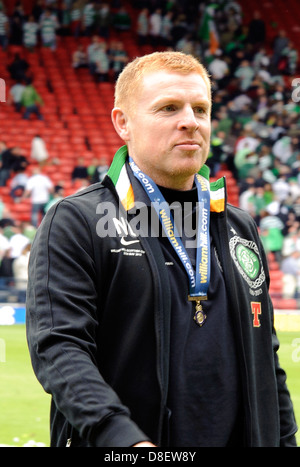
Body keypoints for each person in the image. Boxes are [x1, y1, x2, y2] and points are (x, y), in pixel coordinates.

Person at [26, 51, 298, 447]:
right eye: (168, 108)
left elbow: (266, 359)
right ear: (123, 123)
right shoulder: (77, 220)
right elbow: (59, 347)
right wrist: (122, 439)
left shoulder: (239, 226)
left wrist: (286, 439)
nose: (190, 121)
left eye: (200, 109)